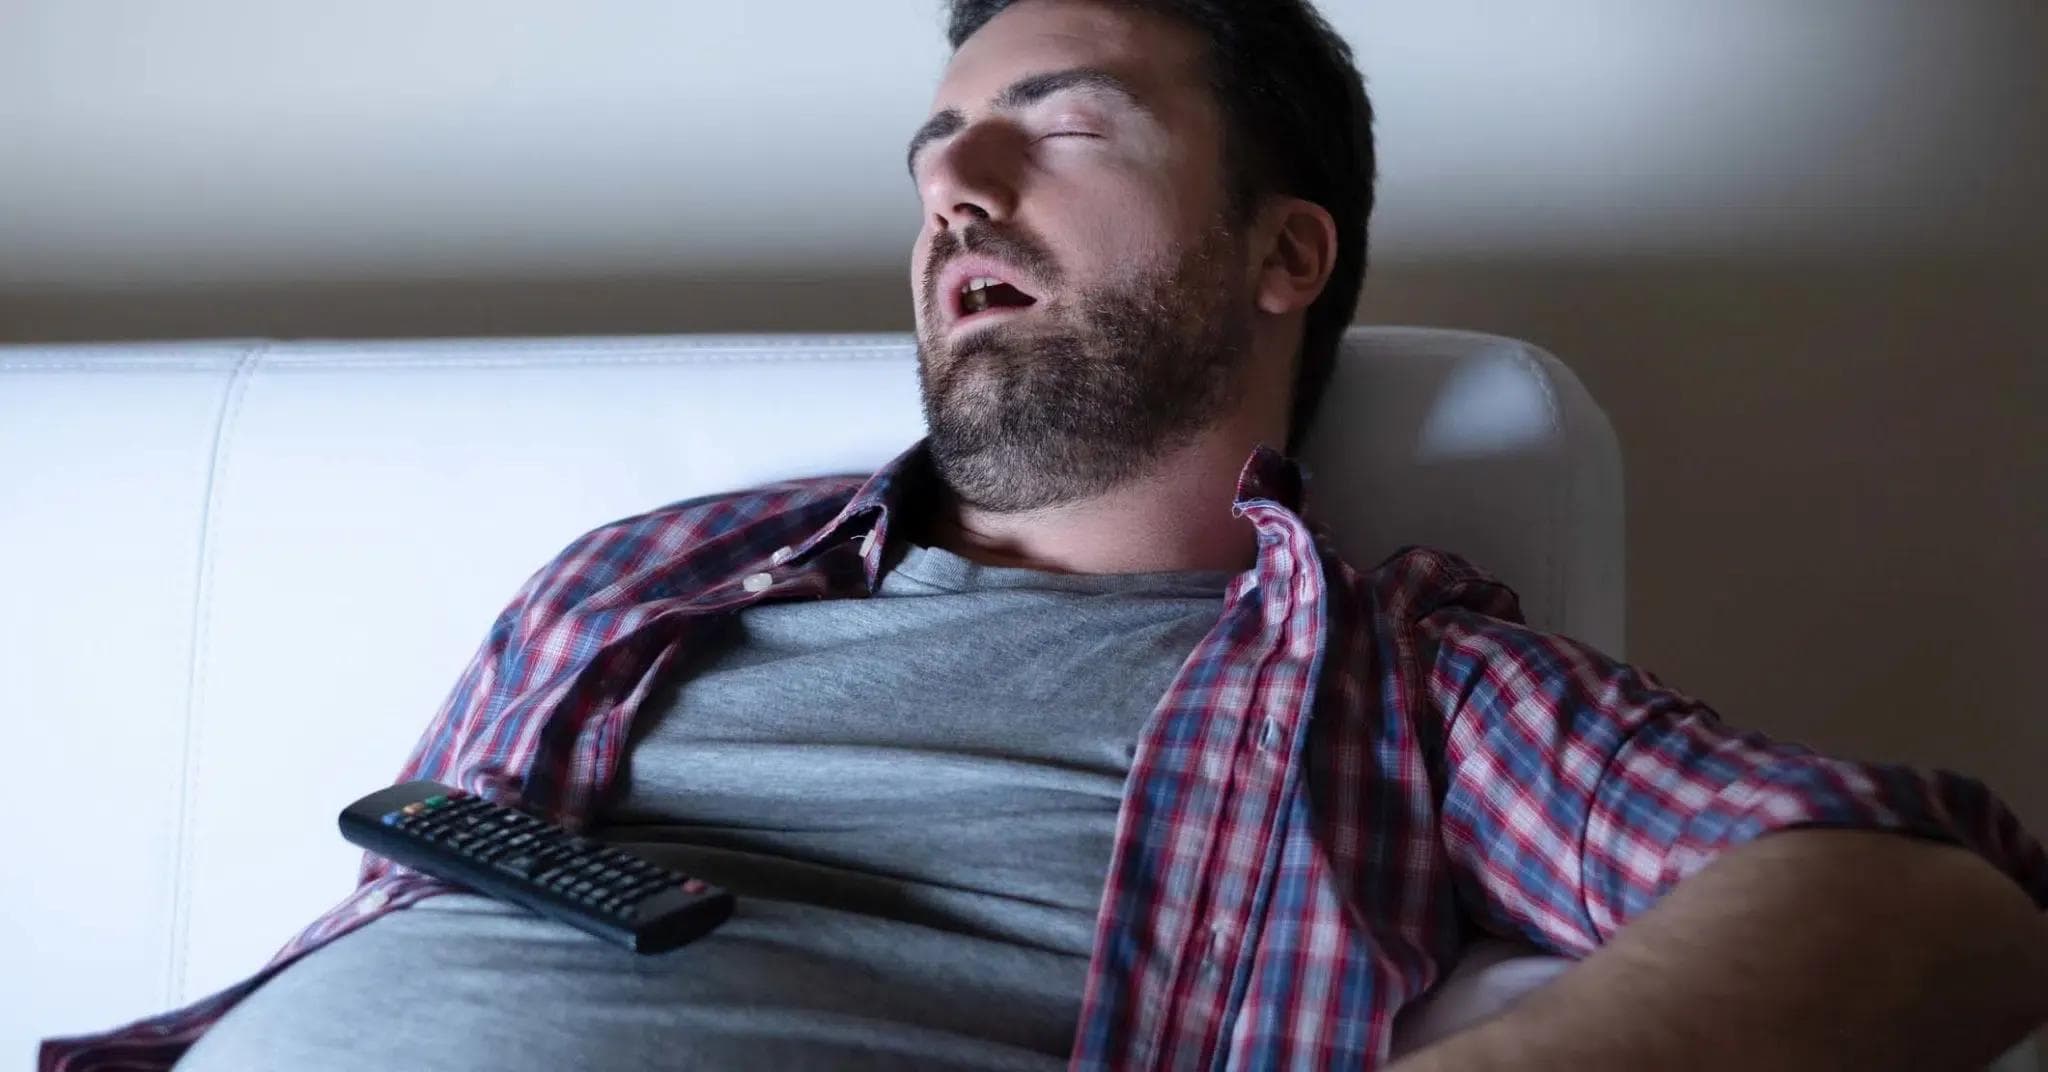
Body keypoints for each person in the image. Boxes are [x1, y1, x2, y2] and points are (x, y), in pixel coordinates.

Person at [44, 1, 2048, 1069]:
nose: (958, 196)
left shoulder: (1403, 678)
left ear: (1284, 252)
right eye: (938, 155)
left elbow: (1927, 899)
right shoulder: (637, 576)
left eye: (1063, 130)